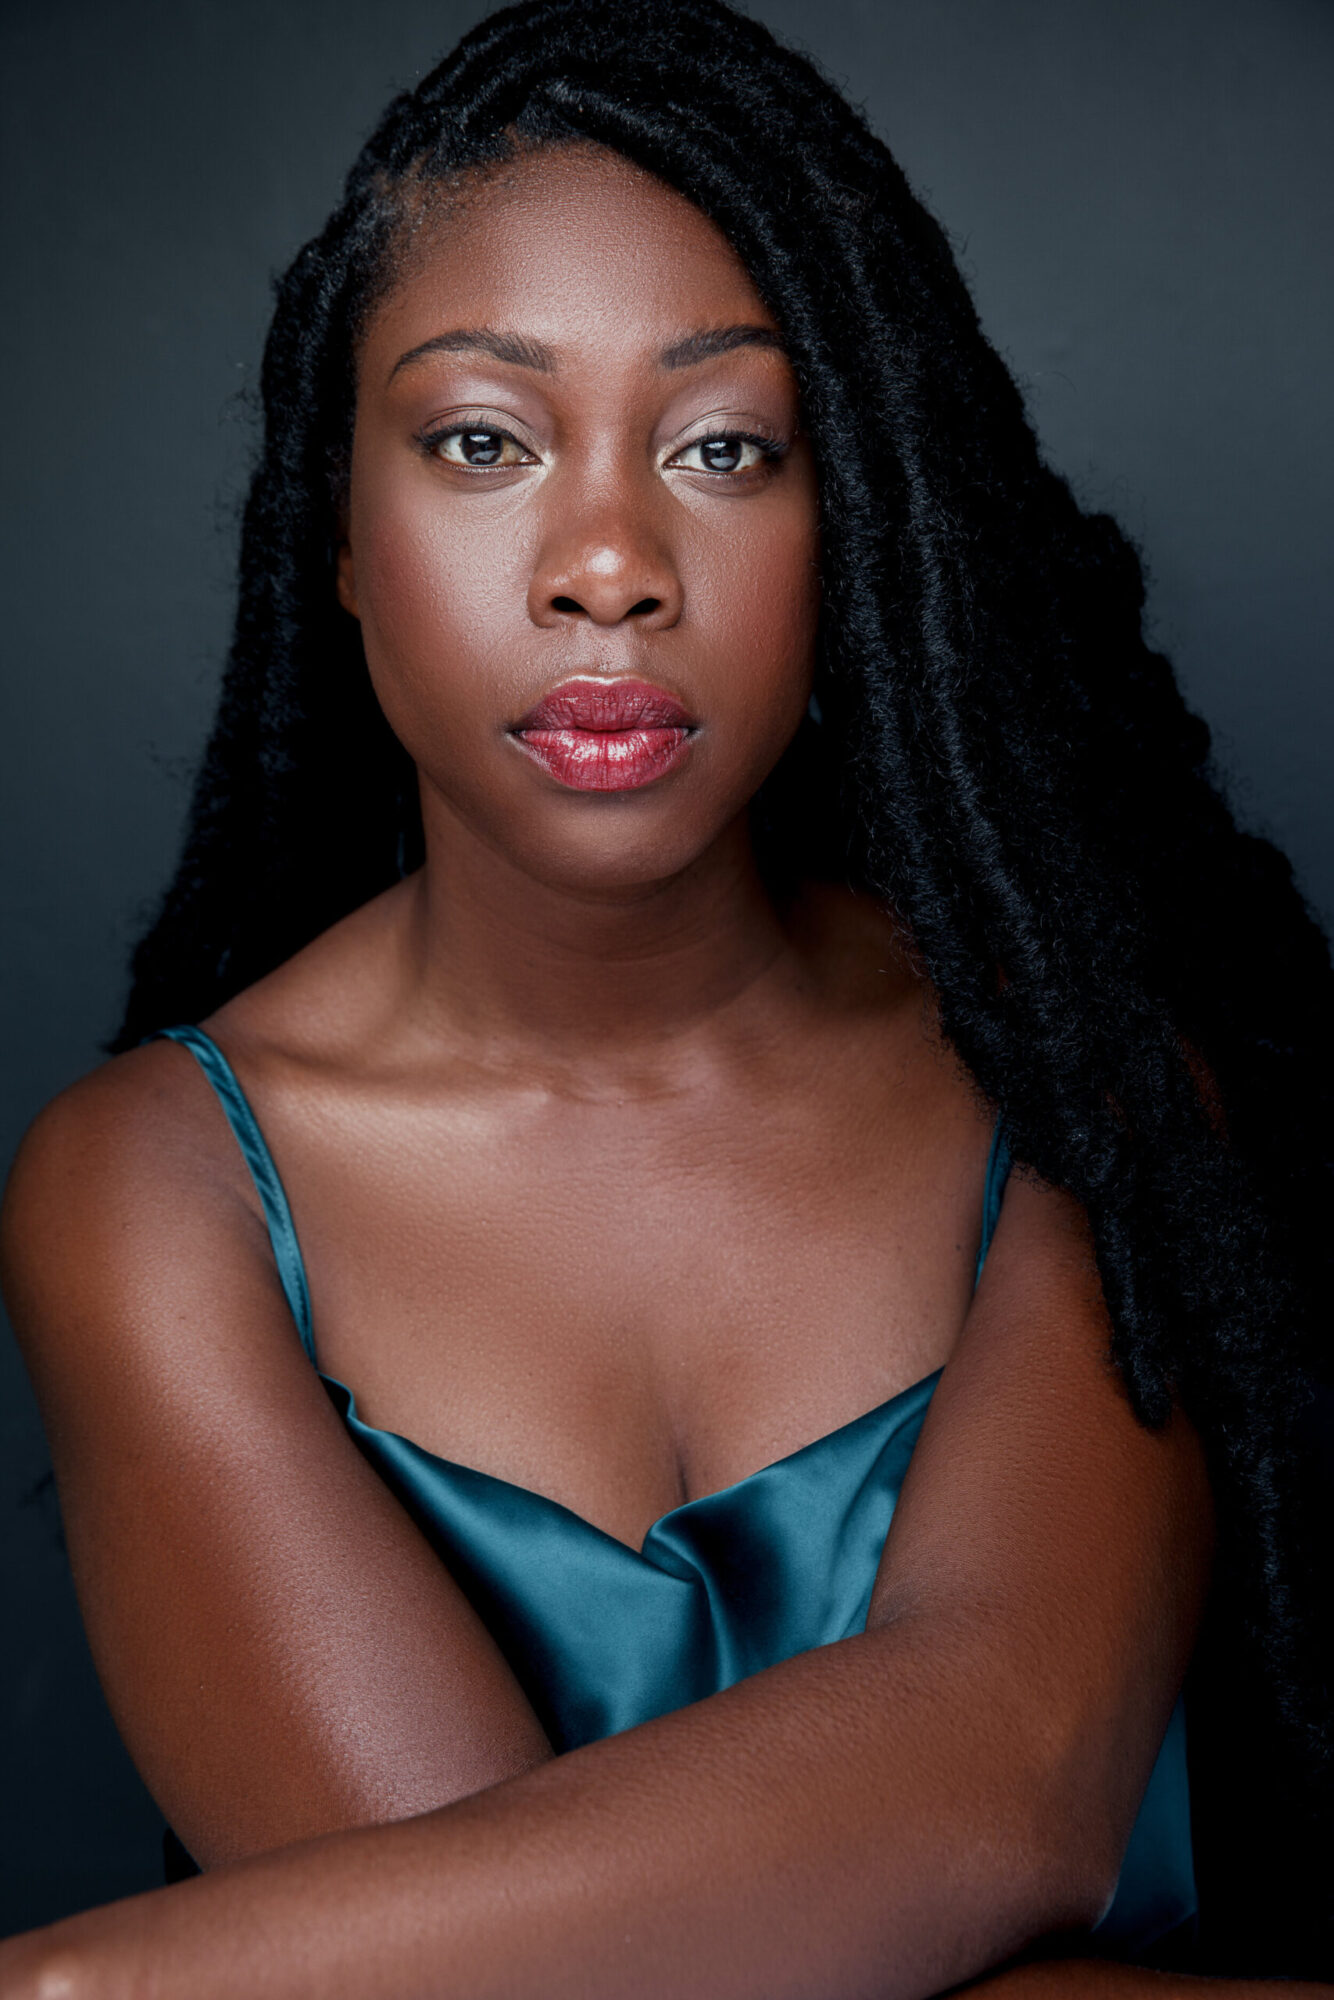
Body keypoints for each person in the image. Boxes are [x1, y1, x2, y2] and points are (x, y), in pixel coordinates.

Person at [0, 0, 1329, 1992]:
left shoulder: (1077, 1089)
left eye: (725, 445)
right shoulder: (160, 1189)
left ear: (855, 527)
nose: (608, 561)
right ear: (339, 540)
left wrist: (91, 1982)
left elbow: (1006, 1774)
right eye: (479, 440)